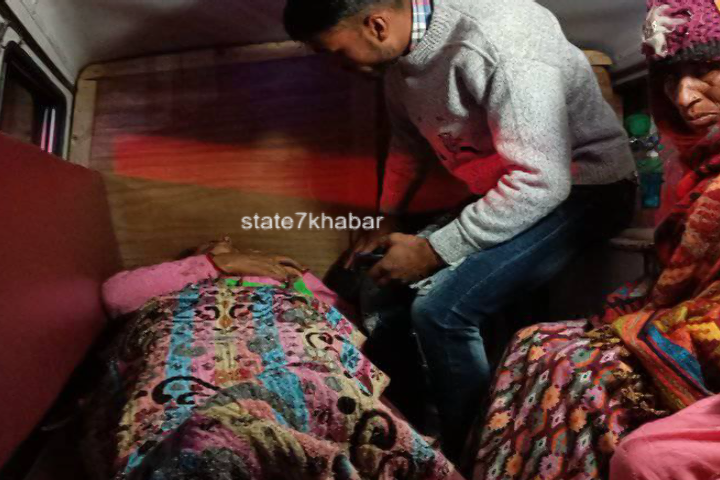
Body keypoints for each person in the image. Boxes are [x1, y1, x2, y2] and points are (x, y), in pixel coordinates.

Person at [283, 0, 636, 459]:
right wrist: (387, 217)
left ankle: (473, 455)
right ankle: (410, 436)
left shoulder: (499, 38)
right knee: (378, 285)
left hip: (586, 187)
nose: (337, 67)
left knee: (442, 310)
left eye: (336, 53)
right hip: (509, 189)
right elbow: (408, 145)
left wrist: (434, 250)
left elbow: (543, 182)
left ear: (376, 25)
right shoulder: (397, 65)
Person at [469, 1, 720, 478]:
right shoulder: (700, 174)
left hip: (701, 343)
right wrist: (634, 317)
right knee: (531, 341)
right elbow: (673, 283)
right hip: (678, 322)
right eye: (671, 80)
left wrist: (639, 330)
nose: (684, 98)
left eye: (705, 69)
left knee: (579, 372)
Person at [80, 238, 460, 480]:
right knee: (182, 406)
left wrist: (296, 283)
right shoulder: (187, 276)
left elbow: (344, 326)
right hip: (192, 328)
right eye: (216, 243)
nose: (228, 240)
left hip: (288, 327)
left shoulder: (287, 275)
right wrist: (216, 262)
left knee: (338, 380)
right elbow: (117, 294)